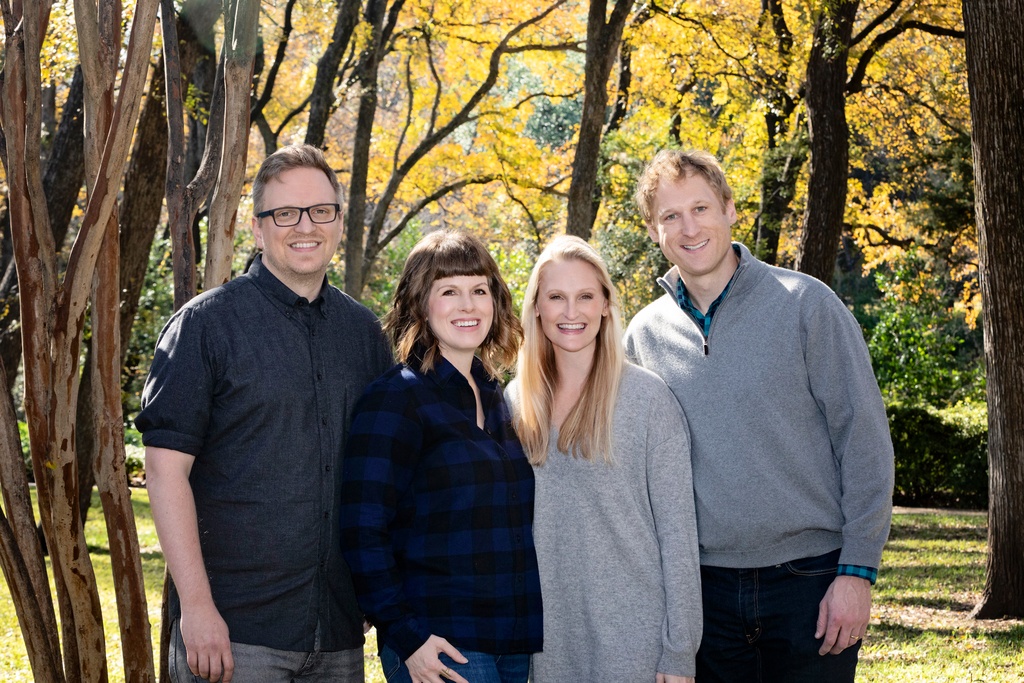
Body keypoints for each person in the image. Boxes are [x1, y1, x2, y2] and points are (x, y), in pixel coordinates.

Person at [623, 149, 895, 682]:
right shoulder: (642, 336)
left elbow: (863, 440)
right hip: (703, 591)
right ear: (654, 231)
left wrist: (857, 573)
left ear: (729, 209)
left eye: (701, 208)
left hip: (811, 580)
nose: (689, 227)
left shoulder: (806, 305)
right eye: (670, 216)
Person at [136, 144, 393, 683]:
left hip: (340, 634)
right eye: (285, 214)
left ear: (339, 221)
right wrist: (198, 608)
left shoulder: (364, 336)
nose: (305, 225)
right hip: (234, 635)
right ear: (257, 228)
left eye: (321, 210)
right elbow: (164, 472)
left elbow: (380, 478)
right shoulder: (205, 327)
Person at [339, 230, 542, 683]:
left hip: (511, 639)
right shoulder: (397, 399)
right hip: (440, 642)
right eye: (449, 291)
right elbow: (362, 529)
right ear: (420, 304)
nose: (467, 306)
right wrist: (406, 635)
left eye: (479, 290)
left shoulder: (499, 399)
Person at [506, 235, 702, 683]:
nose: (571, 312)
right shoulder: (517, 402)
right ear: (537, 307)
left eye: (585, 297)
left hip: (634, 643)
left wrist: (678, 653)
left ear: (607, 305)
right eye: (556, 297)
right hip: (545, 644)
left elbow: (679, 539)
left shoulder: (648, 399)